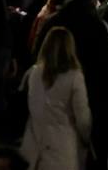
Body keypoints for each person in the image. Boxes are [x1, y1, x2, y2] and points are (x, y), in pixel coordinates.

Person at [20, 26, 91, 170]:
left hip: (33, 148)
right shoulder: (74, 77)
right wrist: (87, 138)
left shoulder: (33, 74)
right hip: (61, 148)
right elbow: (82, 118)